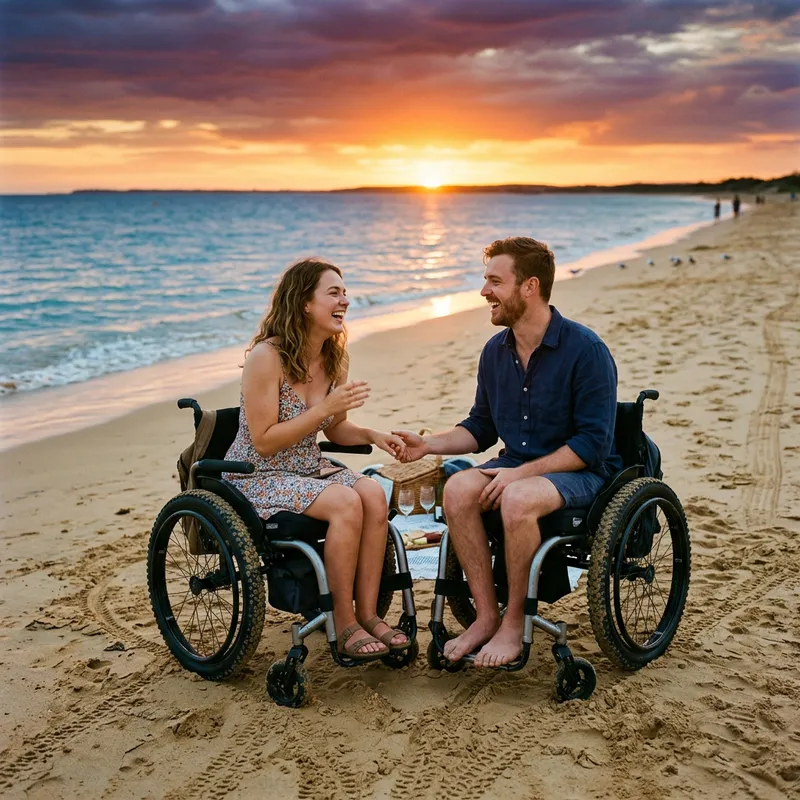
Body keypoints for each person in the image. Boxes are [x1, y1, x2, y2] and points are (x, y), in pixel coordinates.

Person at [394, 237, 622, 667]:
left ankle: (514, 621)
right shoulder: (495, 352)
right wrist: (430, 446)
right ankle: (485, 617)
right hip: (516, 465)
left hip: (581, 473)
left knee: (516, 497)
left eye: (495, 281)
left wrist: (519, 475)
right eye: (486, 280)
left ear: (529, 287)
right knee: (458, 489)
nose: (484, 292)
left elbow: (593, 445)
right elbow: (481, 428)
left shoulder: (586, 351)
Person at [224, 258, 410, 661]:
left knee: (375, 494)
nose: (345, 300)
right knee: (346, 502)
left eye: (345, 292)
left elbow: (336, 429)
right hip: (259, 474)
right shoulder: (265, 357)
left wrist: (373, 435)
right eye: (334, 293)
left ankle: (368, 614)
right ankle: (343, 621)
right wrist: (325, 408)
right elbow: (263, 441)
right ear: (305, 303)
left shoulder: (334, 358)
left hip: (309, 467)